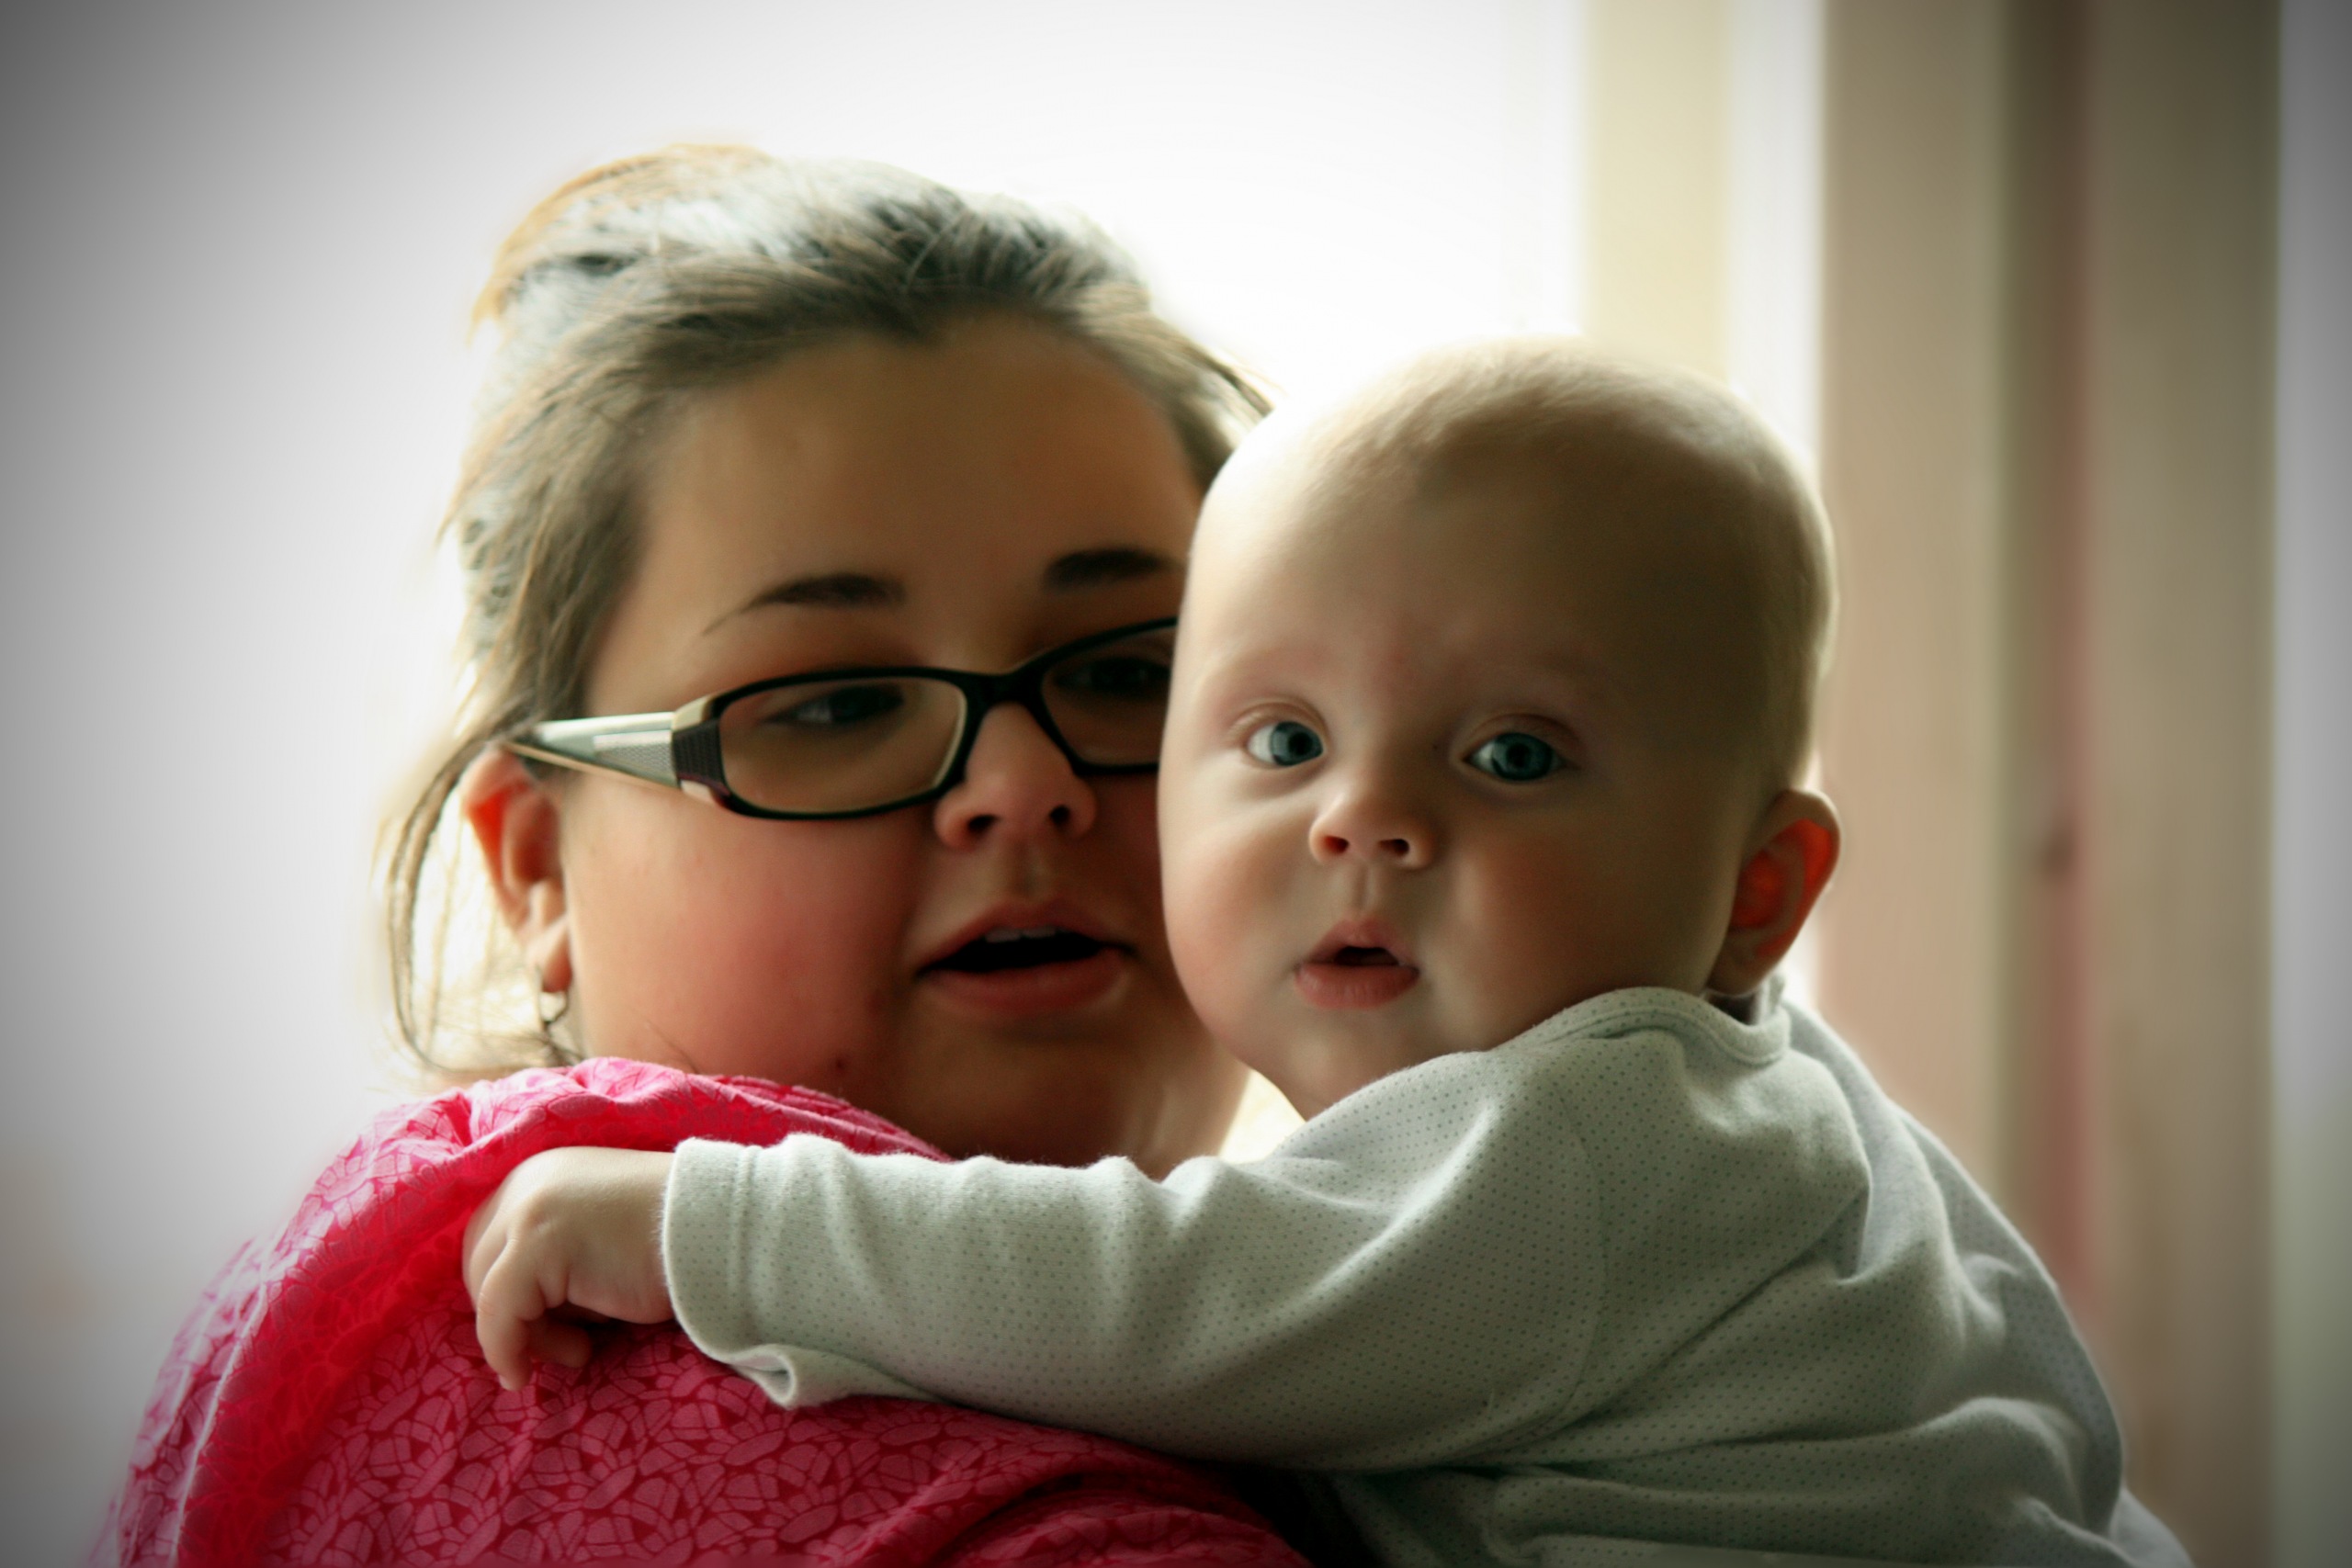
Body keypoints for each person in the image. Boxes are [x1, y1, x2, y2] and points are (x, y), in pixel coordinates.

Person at [464, 339, 2193, 1568]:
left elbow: (1159, 1299)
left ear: (1756, 891)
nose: (1363, 821)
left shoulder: (1599, 1150)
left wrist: (719, 1226)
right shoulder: (1782, 1119)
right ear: (528, 861)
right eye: (1285, 740)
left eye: (1513, 754)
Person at [99, 144, 1316, 1567]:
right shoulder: (558, 1393)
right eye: (834, 706)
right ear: (535, 867)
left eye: (1128, 674)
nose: (1023, 786)